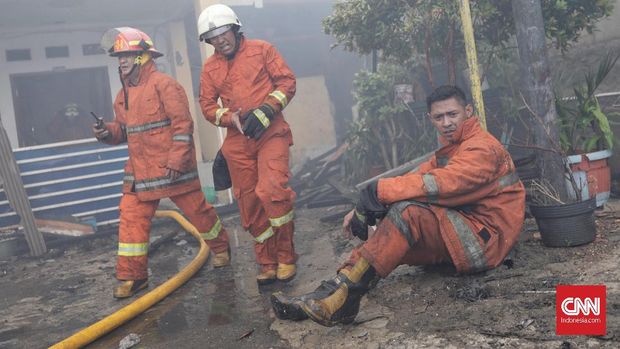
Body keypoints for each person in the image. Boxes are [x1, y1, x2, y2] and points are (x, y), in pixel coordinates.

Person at [270, 85, 526, 326]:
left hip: (485, 241)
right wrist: (365, 202)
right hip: (462, 230)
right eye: (439, 117)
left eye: (452, 114)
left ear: (468, 112)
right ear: (430, 118)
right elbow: (415, 176)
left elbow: (444, 183)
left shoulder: (481, 148)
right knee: (383, 241)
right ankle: (321, 298)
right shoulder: (455, 147)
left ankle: (343, 301)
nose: (446, 123)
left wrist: (379, 192)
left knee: (407, 214)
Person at [93, 27, 230, 299]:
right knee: (131, 221)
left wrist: (177, 159)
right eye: (118, 56)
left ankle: (221, 247)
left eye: (127, 55)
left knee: (199, 213)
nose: (121, 61)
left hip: (172, 168)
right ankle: (133, 277)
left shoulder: (165, 85)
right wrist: (108, 132)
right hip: (138, 172)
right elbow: (124, 130)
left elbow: (183, 125)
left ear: (143, 57)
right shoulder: (122, 97)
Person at [197, 4, 298, 285]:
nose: (219, 40)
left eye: (222, 32)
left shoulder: (262, 50)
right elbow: (206, 106)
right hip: (237, 142)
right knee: (249, 203)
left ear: (235, 28)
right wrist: (229, 118)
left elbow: (287, 81)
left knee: (272, 191)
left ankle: (287, 256)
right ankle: (267, 261)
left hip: (271, 133)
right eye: (212, 36)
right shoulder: (210, 68)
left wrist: (267, 109)